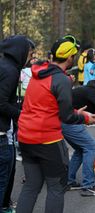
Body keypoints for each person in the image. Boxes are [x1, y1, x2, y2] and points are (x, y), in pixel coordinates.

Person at [16, 36, 95, 213]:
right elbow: (66, 116)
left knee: (31, 186)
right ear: (70, 58)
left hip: (25, 137)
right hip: (47, 141)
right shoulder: (62, 80)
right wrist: (84, 118)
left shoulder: (38, 73)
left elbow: (46, 106)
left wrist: (78, 112)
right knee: (56, 187)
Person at [0, 35, 35, 213]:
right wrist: (22, 114)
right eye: (29, 53)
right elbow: (2, 103)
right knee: (4, 174)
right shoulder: (10, 70)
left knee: (10, 169)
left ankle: (6, 204)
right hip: (2, 132)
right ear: (20, 51)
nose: (30, 57)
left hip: (6, 129)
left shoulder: (5, 65)